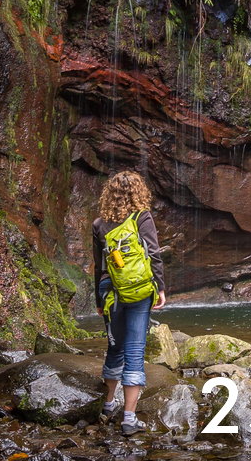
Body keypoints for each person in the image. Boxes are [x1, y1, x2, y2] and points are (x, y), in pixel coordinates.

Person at [93, 170, 166, 435]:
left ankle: (108, 404)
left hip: (108, 290)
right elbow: (153, 254)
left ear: (109, 194)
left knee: (115, 346)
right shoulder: (141, 217)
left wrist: (98, 298)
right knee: (135, 350)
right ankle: (128, 419)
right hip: (138, 290)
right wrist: (160, 288)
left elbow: (98, 265)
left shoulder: (99, 224)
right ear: (139, 193)